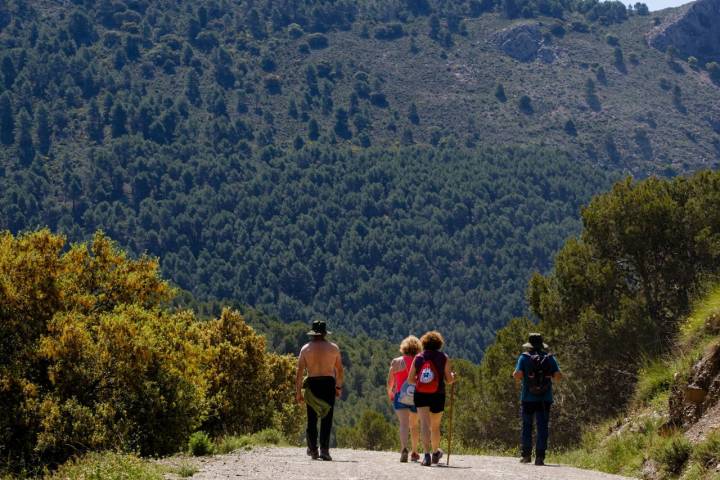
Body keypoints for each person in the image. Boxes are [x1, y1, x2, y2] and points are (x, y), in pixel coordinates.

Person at [295, 320, 344, 461]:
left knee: (311, 418)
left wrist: (298, 392)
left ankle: (313, 449)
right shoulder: (333, 348)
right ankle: (324, 450)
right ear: (324, 333)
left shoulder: (305, 349)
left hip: (313, 383)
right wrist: (338, 387)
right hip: (328, 383)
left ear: (313, 333)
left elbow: (299, 373)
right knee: (326, 418)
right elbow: (339, 370)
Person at [512, 333, 561, 466]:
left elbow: (517, 375)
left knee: (527, 426)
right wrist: (548, 375)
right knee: (542, 427)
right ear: (541, 345)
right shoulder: (549, 358)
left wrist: (520, 375)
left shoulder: (524, 358)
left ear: (529, 346)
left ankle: (526, 455)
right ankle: (540, 457)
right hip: (545, 399)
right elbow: (558, 376)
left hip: (528, 398)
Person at [407, 330, 455, 467]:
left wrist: (421, 381)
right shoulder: (443, 357)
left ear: (424, 343)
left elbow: (410, 380)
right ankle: (435, 453)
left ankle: (426, 456)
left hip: (421, 394)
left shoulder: (418, 357)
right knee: (435, 426)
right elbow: (449, 380)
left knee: (424, 425)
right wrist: (453, 375)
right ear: (439, 343)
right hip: (438, 394)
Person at [386, 335, 422, 463]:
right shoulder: (419, 361)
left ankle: (403, 449)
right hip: (416, 396)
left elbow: (390, 382)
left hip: (400, 395)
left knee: (404, 424)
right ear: (418, 347)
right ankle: (415, 451)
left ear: (404, 347)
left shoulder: (396, 362)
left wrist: (390, 393)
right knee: (414, 425)